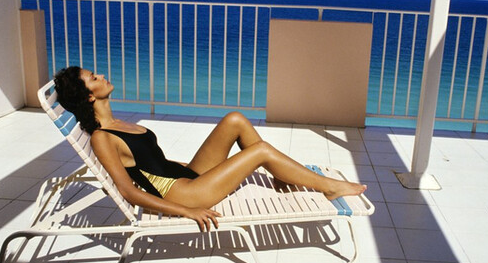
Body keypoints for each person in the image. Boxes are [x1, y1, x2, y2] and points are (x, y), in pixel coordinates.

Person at [53, 65, 367, 233]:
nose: (102, 75)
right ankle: (329, 187)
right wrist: (188, 211)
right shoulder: (101, 137)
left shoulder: (116, 121)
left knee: (235, 120)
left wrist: (199, 171)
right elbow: (128, 191)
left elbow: (151, 163)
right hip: (186, 194)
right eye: (93, 77)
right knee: (260, 151)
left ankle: (284, 178)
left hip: (186, 176)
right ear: (89, 96)